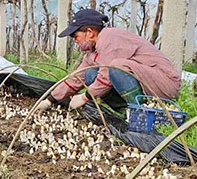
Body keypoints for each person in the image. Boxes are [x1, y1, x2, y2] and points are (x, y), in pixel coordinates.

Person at [37, 9, 181, 116]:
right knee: (89, 74)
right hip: (146, 82)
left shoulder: (110, 39)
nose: (75, 41)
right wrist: (50, 100)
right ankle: (127, 112)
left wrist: (84, 97)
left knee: (116, 66)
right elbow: (76, 78)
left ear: (89, 32)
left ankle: (142, 113)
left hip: (164, 83)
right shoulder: (93, 52)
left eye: (76, 36)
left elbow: (106, 74)